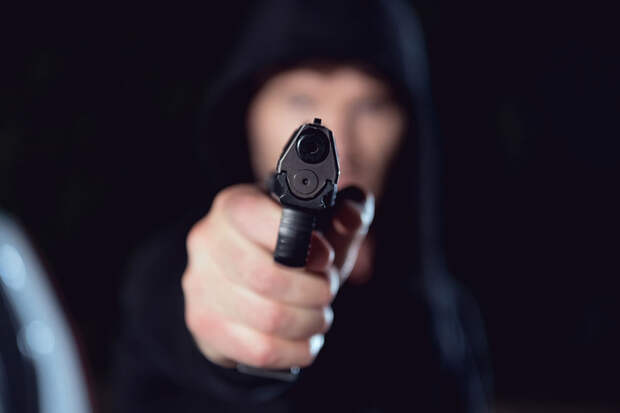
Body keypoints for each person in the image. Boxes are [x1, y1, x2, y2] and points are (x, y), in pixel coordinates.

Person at [113, 1, 492, 411]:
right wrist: (233, 336)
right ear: (248, 111)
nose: (338, 141)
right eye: (300, 98)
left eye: (372, 105)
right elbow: (184, 308)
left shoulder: (452, 315)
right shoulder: (166, 271)